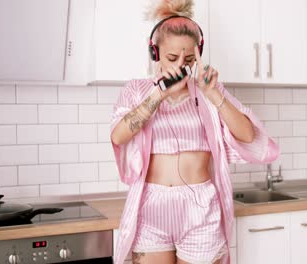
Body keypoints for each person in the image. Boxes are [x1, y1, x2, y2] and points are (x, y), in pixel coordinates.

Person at [110, 0, 279, 263]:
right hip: (152, 209)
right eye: (171, 58)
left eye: (188, 59)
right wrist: (158, 95)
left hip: (200, 209)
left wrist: (214, 94)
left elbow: (248, 135)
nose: (180, 66)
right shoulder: (137, 90)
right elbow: (119, 136)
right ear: (155, 53)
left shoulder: (207, 89)